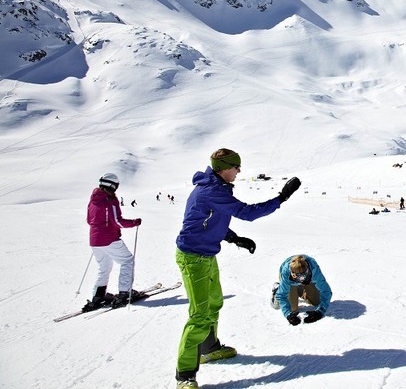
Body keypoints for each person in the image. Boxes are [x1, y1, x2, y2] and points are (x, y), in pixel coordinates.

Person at [174, 149, 301, 389]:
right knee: (199, 315)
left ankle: (209, 348)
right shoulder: (211, 190)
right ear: (222, 168)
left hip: (206, 255)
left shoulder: (216, 188)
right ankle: (185, 375)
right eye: (236, 166)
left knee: (213, 304)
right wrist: (280, 198)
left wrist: (234, 238)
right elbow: (247, 213)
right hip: (193, 258)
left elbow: (211, 220)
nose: (239, 171)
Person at [82, 173, 144, 312]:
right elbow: (117, 221)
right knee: (127, 260)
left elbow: (89, 220)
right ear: (113, 185)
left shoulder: (93, 200)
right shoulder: (110, 200)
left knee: (105, 267)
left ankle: (98, 295)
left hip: (94, 240)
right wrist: (134, 222)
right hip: (109, 239)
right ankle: (124, 293)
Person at [270, 255, 332, 325]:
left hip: (308, 281)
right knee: (292, 308)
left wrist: (320, 312)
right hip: (290, 283)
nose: (301, 279)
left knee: (317, 301)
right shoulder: (286, 272)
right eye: (297, 277)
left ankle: (298, 291)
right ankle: (277, 289)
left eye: (303, 276)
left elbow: (326, 291)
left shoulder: (314, 269)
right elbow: (281, 296)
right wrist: (288, 315)